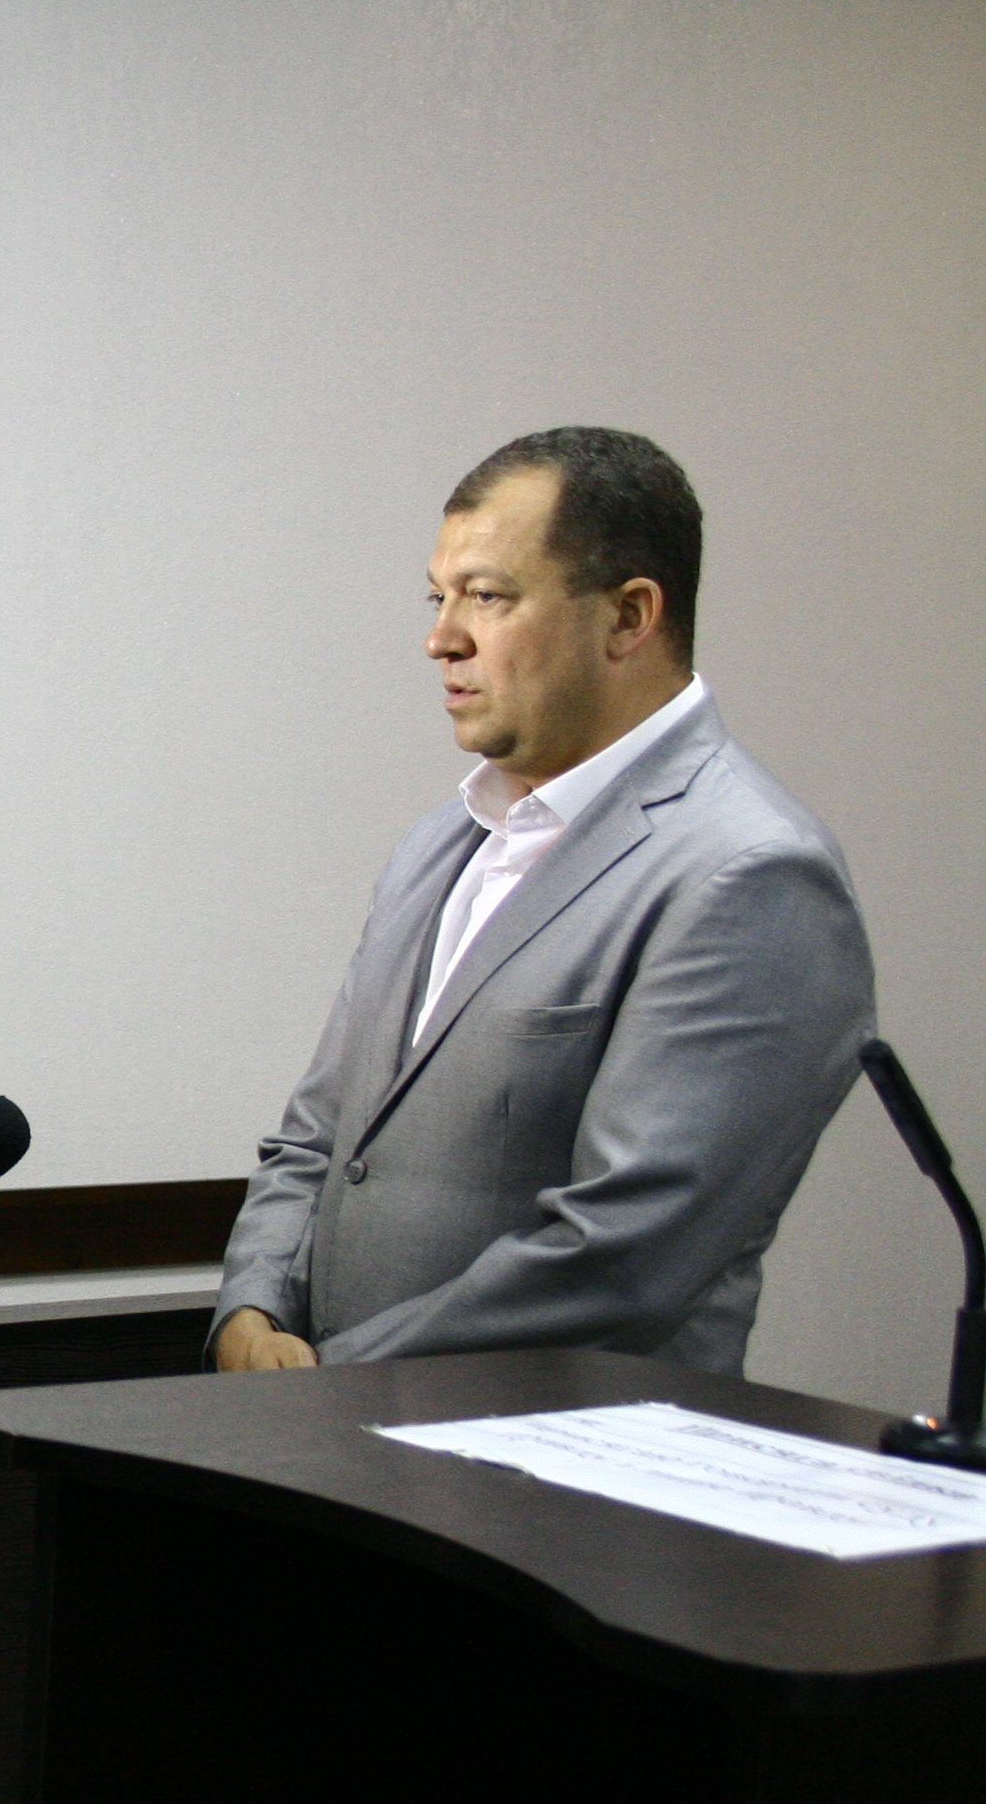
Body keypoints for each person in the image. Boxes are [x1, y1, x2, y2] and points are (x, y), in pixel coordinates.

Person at [214, 427, 873, 1374]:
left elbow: (624, 1257)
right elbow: (317, 1141)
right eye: (438, 597)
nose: (441, 638)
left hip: (562, 1457)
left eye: (487, 596)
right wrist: (250, 1313)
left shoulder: (750, 870)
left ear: (628, 617)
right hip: (331, 1436)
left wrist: (330, 1381)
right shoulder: (437, 846)